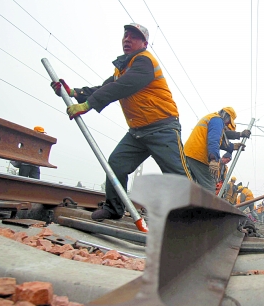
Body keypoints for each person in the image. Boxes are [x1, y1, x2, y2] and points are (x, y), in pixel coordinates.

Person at [50, 23, 193, 231]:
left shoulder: (144, 61)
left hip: (162, 128)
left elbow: (123, 87)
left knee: (176, 174)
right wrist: (72, 93)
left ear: (144, 43)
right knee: (116, 163)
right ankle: (114, 208)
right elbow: (104, 88)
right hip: (138, 132)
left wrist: (89, 105)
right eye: (125, 36)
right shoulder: (122, 69)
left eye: (134, 37)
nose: (127, 39)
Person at [184, 107, 248, 193]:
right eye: (228, 123)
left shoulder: (213, 118)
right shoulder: (218, 120)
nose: (227, 125)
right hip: (199, 156)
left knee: (192, 186)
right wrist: (213, 159)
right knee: (209, 188)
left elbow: (220, 139)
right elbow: (214, 140)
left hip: (190, 154)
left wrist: (234, 143)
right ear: (226, 117)